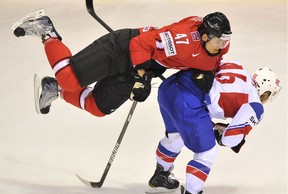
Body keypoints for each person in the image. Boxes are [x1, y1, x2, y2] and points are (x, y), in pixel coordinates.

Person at [11, 9, 231, 115]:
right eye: (219, 41)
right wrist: (142, 77)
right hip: (124, 48)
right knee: (69, 78)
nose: (223, 46)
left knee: (98, 107)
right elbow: (140, 44)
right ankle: (45, 30)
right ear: (204, 36)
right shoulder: (180, 41)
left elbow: (211, 64)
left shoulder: (216, 47)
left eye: (225, 41)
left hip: (144, 67)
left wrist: (207, 77)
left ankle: (53, 90)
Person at [146, 61, 281, 194]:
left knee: (176, 136)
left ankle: (160, 175)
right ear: (265, 92)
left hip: (169, 88)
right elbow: (231, 139)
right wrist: (222, 135)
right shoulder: (255, 104)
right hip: (189, 103)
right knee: (207, 152)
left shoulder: (237, 67)